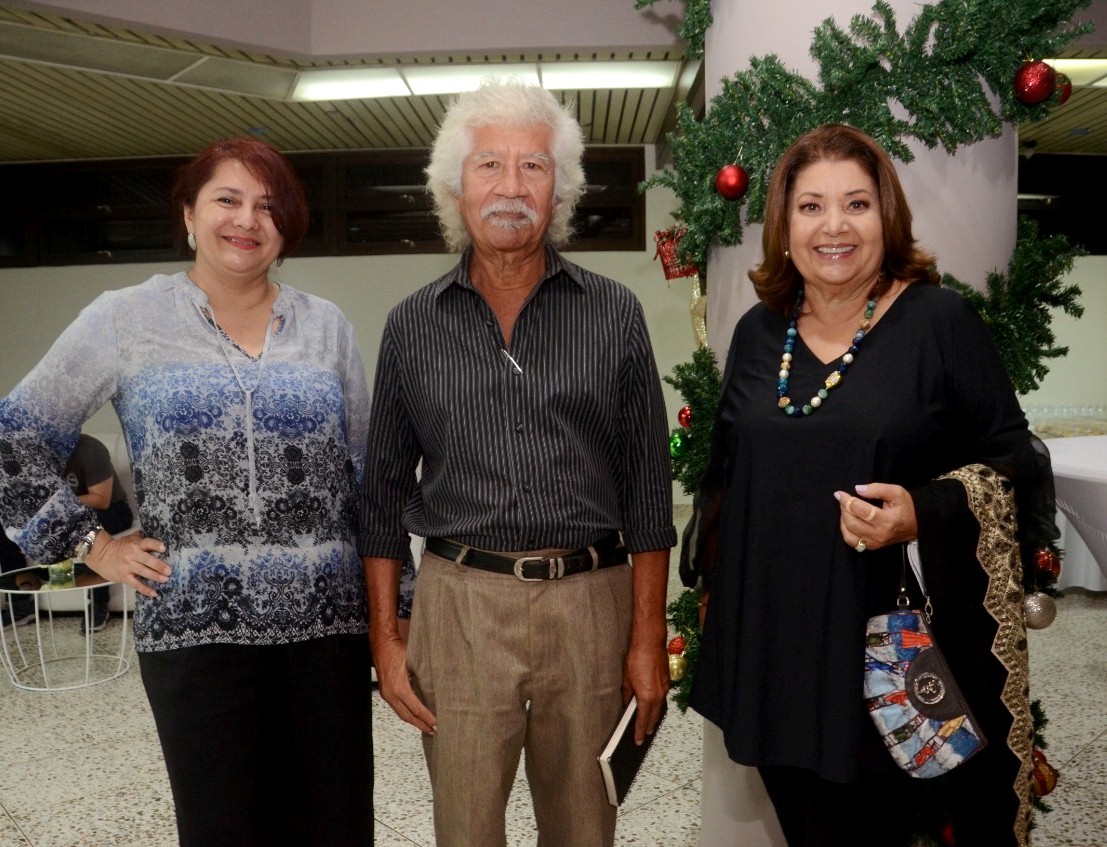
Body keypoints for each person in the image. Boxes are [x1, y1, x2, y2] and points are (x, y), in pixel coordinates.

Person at [0, 137, 374, 847]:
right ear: (188, 216)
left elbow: (366, 475)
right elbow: (12, 434)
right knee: (223, 828)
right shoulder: (124, 319)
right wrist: (92, 546)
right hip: (196, 635)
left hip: (327, 637)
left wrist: (398, 610)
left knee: (336, 825)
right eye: (227, 200)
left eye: (268, 205)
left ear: (287, 224)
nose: (247, 219)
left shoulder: (325, 326)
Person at [688, 124, 1040, 846]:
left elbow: (1016, 459)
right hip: (774, 654)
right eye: (810, 206)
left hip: (884, 656)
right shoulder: (760, 332)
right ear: (783, 226)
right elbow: (725, 474)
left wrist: (923, 512)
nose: (834, 226)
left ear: (887, 218)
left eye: (855, 204)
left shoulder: (937, 322)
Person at [359, 79, 676, 847]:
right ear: (453, 188)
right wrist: (386, 640)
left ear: (558, 189)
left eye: (533, 167)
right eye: (488, 165)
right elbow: (380, 494)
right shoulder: (411, 327)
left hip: (591, 607)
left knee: (582, 827)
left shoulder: (613, 313)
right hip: (461, 607)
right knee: (464, 829)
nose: (510, 186)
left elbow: (646, 488)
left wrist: (644, 637)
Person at [63, 433, 134, 631]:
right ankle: (21, 603)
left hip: (113, 510)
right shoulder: (37, 453)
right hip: (70, 513)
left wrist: (55, 505)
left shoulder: (90, 448)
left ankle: (98, 603)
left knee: (88, 527)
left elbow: (101, 499)